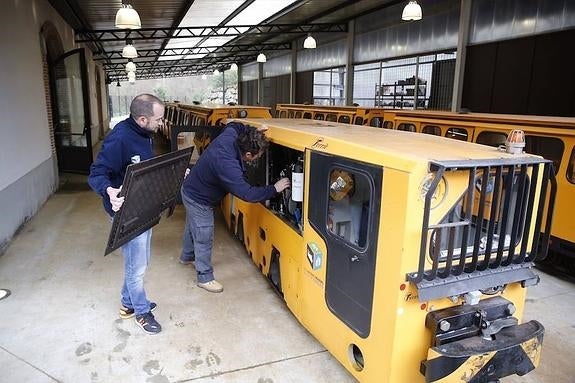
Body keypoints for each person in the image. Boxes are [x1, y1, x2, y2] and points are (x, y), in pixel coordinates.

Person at [180, 122, 290, 293]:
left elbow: (234, 125)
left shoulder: (230, 136)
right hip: (199, 198)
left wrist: (253, 130)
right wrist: (274, 189)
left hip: (190, 188)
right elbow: (248, 194)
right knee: (204, 234)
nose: (258, 159)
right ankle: (204, 277)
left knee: (191, 226)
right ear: (247, 154)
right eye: (257, 156)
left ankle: (186, 257)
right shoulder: (228, 164)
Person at [88, 94, 165, 335]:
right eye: (158, 119)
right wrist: (108, 190)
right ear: (142, 119)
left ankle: (127, 302)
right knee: (137, 266)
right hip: (125, 212)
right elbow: (96, 172)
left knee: (139, 261)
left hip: (143, 205)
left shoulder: (146, 134)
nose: (161, 124)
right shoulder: (120, 138)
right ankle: (141, 312)